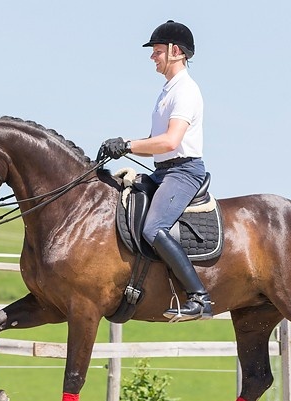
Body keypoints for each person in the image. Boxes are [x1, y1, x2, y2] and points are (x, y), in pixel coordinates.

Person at [101, 20, 212, 322]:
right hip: (163, 171)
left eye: (157, 51)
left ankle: (199, 298)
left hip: (183, 172)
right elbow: (156, 143)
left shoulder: (186, 91)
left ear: (176, 52)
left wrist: (127, 145)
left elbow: (170, 141)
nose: (153, 56)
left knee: (153, 228)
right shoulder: (167, 91)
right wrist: (123, 148)